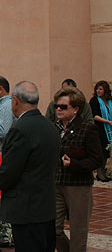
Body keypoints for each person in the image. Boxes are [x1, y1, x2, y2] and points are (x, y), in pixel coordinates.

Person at [0, 81, 60, 252]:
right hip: (45, 204)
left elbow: (10, 171)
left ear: (16, 100)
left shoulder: (20, 129)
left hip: (26, 208)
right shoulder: (49, 126)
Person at [53, 87, 104, 251]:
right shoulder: (55, 128)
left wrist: (74, 164)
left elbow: (97, 159)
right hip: (57, 184)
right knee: (53, 229)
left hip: (78, 186)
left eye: (63, 106)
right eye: (57, 106)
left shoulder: (88, 129)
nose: (59, 109)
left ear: (75, 109)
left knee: (78, 232)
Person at [89, 80, 112, 181]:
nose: (98, 91)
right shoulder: (94, 101)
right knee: (101, 151)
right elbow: (95, 116)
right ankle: (99, 173)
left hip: (109, 129)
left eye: (100, 89)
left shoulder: (110, 101)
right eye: (97, 89)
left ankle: (104, 172)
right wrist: (108, 121)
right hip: (100, 128)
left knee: (107, 151)